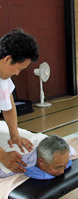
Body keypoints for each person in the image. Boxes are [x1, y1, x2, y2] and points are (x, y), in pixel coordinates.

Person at [0, 29, 39, 174]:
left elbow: (8, 106)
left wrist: (14, 134)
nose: (17, 73)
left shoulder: (3, 76)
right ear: (7, 59)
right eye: (18, 69)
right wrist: (3, 156)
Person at [0, 135, 74, 179]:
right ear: (41, 162)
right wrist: (2, 155)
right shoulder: (17, 163)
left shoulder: (66, 150)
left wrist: (14, 134)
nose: (62, 172)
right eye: (58, 167)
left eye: (65, 165)